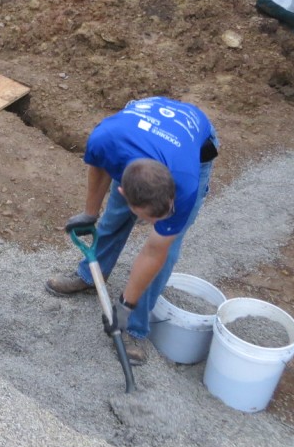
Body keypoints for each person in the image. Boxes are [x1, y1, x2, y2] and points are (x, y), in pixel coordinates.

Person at [45, 97, 219, 365]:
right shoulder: (105, 139)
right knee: (114, 218)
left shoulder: (184, 185)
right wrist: (90, 213)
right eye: (148, 218)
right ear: (123, 190)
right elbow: (99, 166)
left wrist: (126, 305)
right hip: (137, 133)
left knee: (167, 249)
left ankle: (136, 328)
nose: (151, 225)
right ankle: (90, 276)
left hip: (192, 143)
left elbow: (154, 252)